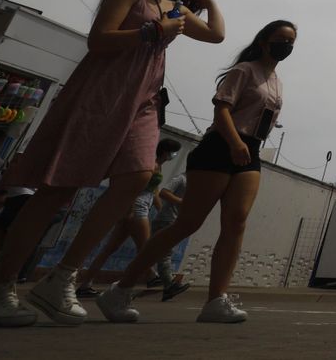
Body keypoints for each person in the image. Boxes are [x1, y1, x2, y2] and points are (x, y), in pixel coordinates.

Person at [0, 0, 225, 328]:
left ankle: (63, 275)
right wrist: (153, 31)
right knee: (57, 190)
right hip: (103, 93)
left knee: (139, 175)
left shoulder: (175, 6)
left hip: (144, 100)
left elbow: (216, 35)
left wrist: (209, 2)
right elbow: (99, 40)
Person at [98, 19, 297, 324]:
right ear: (264, 40)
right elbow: (222, 109)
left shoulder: (277, 82)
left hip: (251, 150)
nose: (287, 46)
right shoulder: (244, 70)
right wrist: (234, 142)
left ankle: (216, 300)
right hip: (221, 145)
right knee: (188, 222)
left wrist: (245, 146)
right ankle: (120, 289)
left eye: (291, 42)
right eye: (281, 39)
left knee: (236, 222)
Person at [77, 138, 182, 296]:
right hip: (137, 208)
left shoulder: (157, 166)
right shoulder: (152, 165)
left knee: (110, 248)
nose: (174, 155)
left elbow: (154, 190)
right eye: (174, 152)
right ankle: (150, 278)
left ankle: (85, 285)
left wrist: (159, 208)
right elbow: (137, 187)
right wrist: (130, 209)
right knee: (146, 248)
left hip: (137, 208)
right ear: (167, 152)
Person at [148, 172, 191, 299]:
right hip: (166, 219)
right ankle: (169, 285)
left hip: (173, 219)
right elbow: (163, 193)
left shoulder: (193, 182)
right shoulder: (181, 178)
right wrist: (181, 202)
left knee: (159, 252)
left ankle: (156, 279)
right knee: (165, 253)